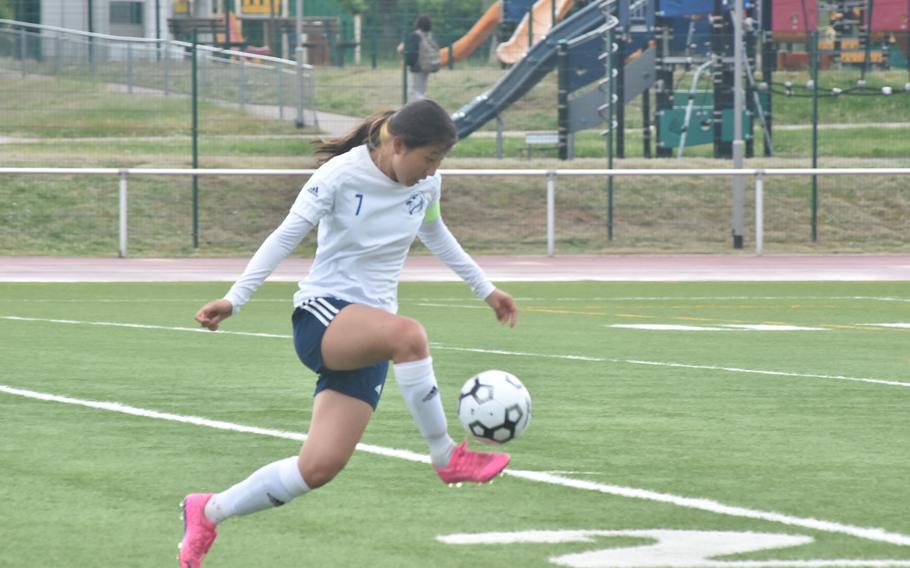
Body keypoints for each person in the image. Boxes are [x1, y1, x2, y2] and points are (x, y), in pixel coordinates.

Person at [179, 98, 519, 567]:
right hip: (323, 317)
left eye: (440, 161)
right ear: (398, 145)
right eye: (429, 158)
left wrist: (487, 289)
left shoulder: (426, 182)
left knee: (318, 468)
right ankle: (446, 457)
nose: (433, 170)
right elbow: (285, 234)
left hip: (369, 335)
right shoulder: (339, 175)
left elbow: (436, 232)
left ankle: (207, 510)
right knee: (411, 337)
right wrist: (234, 299)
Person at [400, 15, 440, 101]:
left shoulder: (415, 36)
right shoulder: (429, 35)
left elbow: (412, 52)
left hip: (417, 66)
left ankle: (422, 107)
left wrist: (408, 63)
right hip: (428, 64)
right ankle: (423, 105)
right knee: (422, 90)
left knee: (415, 91)